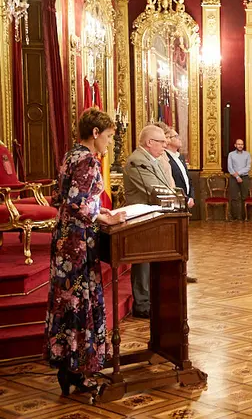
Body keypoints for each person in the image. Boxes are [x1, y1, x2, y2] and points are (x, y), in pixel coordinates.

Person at [44, 108, 126, 396]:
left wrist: (98, 208)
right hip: (79, 242)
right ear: (95, 133)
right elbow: (79, 202)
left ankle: (68, 365)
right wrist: (105, 217)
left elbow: (61, 197)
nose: (108, 143)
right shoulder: (89, 159)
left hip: (64, 237)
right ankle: (79, 370)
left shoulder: (70, 155)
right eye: (107, 136)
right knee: (80, 300)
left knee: (67, 300)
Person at [124, 124, 174, 319]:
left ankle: (151, 297)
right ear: (149, 142)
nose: (165, 144)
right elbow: (156, 189)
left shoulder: (153, 160)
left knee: (151, 260)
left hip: (155, 217)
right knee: (142, 262)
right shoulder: (137, 161)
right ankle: (142, 303)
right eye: (161, 141)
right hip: (142, 219)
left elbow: (166, 186)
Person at [164, 126, 198, 283]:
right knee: (176, 240)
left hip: (185, 201)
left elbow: (188, 180)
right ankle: (177, 273)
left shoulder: (180, 157)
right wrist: (182, 198)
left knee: (184, 239)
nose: (179, 138)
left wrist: (191, 196)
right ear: (168, 140)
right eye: (175, 136)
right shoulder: (165, 158)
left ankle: (184, 271)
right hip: (175, 203)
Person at [227, 139, 251, 221]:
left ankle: (244, 217)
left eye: (242, 144)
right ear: (235, 145)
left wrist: (238, 174)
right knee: (234, 197)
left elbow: (248, 167)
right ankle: (235, 217)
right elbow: (230, 168)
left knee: (244, 197)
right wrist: (237, 177)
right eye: (238, 144)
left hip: (244, 177)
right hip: (233, 178)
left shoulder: (247, 154)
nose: (240, 146)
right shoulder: (231, 154)